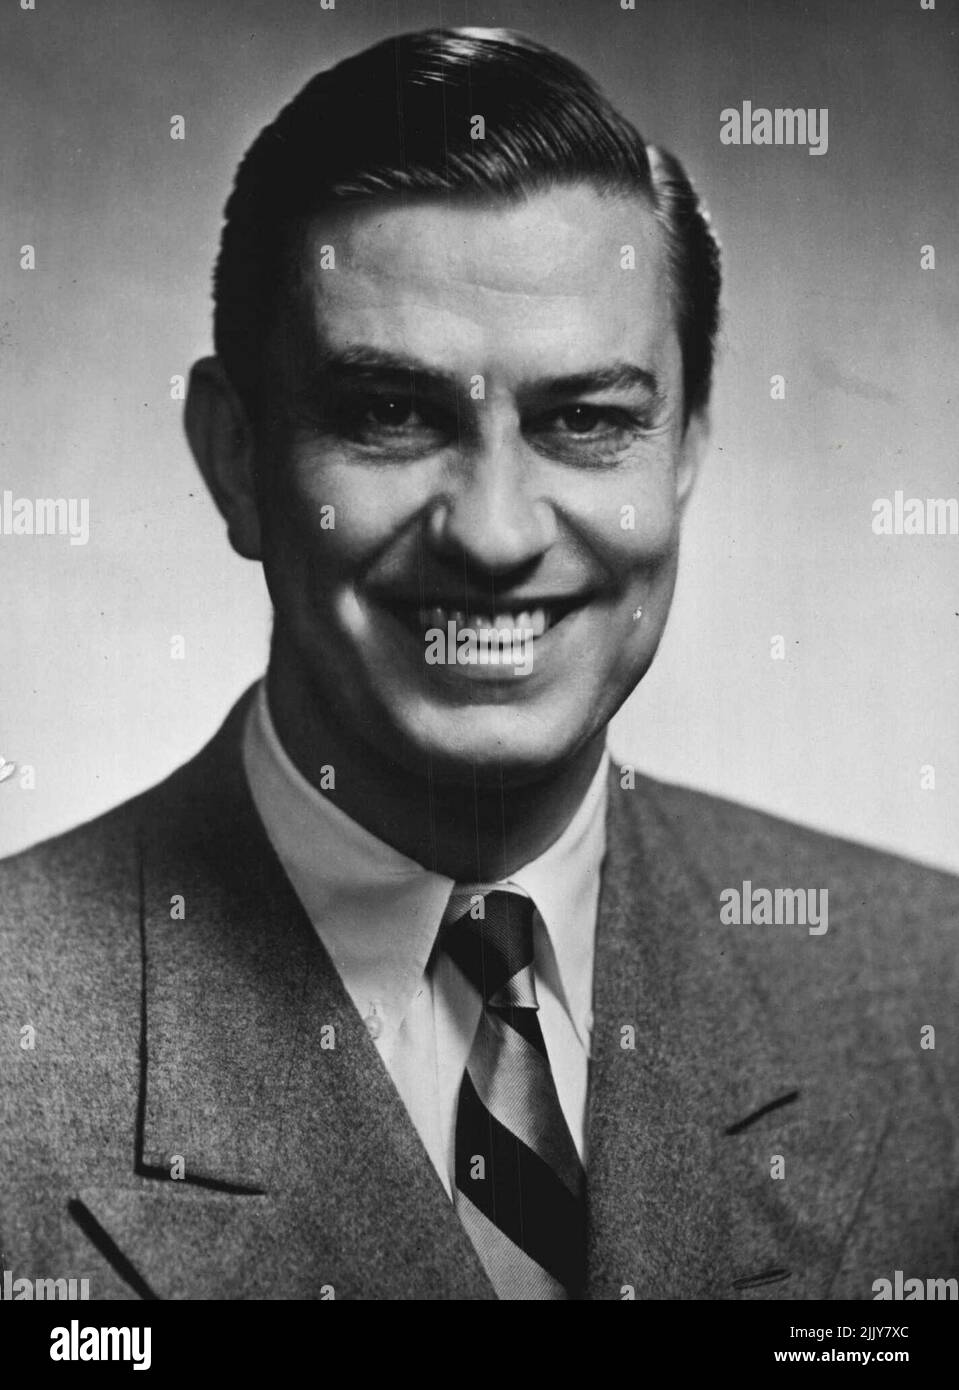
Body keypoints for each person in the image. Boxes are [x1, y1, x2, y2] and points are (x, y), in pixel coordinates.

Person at [1, 27, 956, 1303]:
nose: (496, 532)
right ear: (235, 458)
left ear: (682, 455)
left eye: (586, 420)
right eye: (391, 413)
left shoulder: (924, 990)